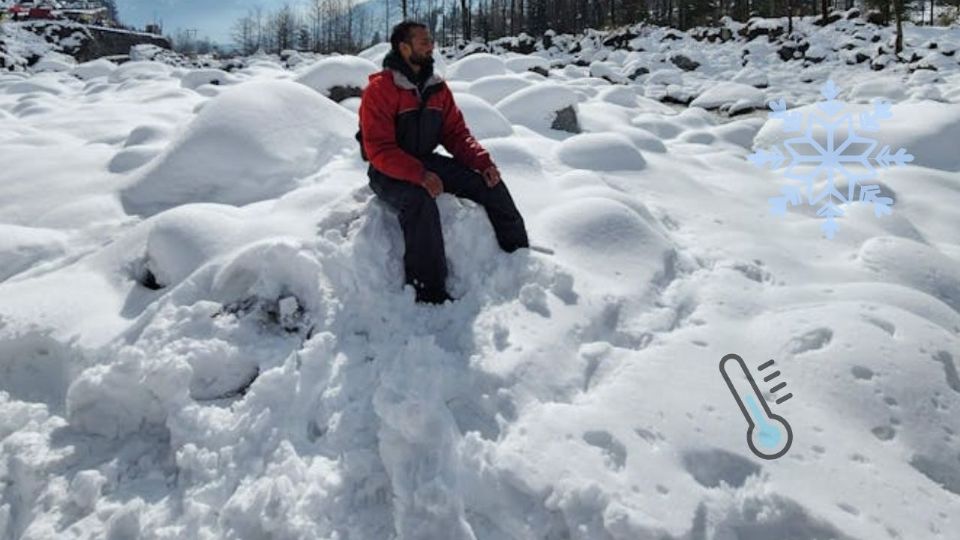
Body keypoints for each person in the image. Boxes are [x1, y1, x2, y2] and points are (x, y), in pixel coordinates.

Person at [359, 21, 529, 304]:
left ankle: (519, 252)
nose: (431, 46)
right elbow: (379, 149)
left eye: (430, 40)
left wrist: (482, 162)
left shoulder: (437, 88)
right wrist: (419, 174)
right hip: (386, 170)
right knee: (419, 201)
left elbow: (455, 133)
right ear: (404, 47)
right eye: (424, 41)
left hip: (424, 162)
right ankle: (428, 290)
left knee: (486, 183)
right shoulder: (380, 90)